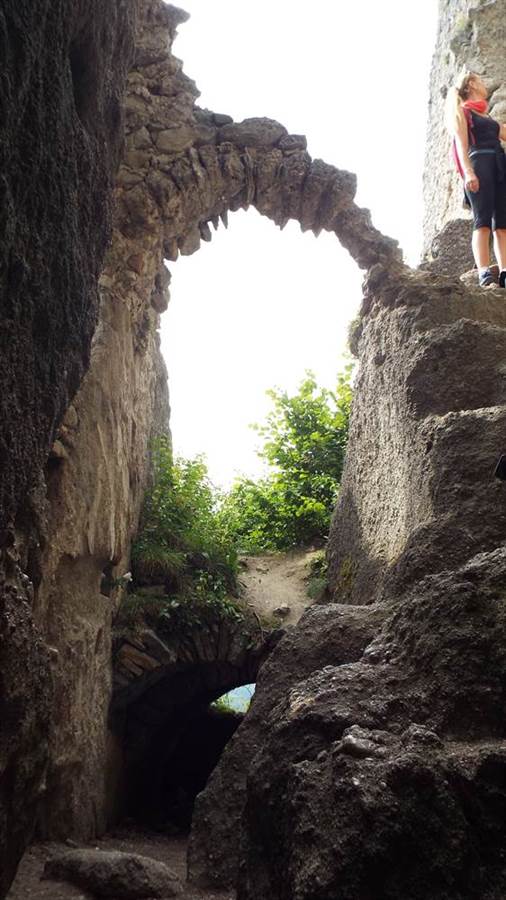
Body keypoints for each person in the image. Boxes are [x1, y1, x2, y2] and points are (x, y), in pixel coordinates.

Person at [446, 72, 506, 287]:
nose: (484, 84)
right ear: (471, 84)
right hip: (479, 164)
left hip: (499, 165)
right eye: (480, 80)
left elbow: (504, 133)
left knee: (502, 225)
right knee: (482, 222)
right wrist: (468, 172)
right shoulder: (463, 112)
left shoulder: (486, 116)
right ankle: (484, 272)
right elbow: (461, 145)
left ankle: (505, 272)